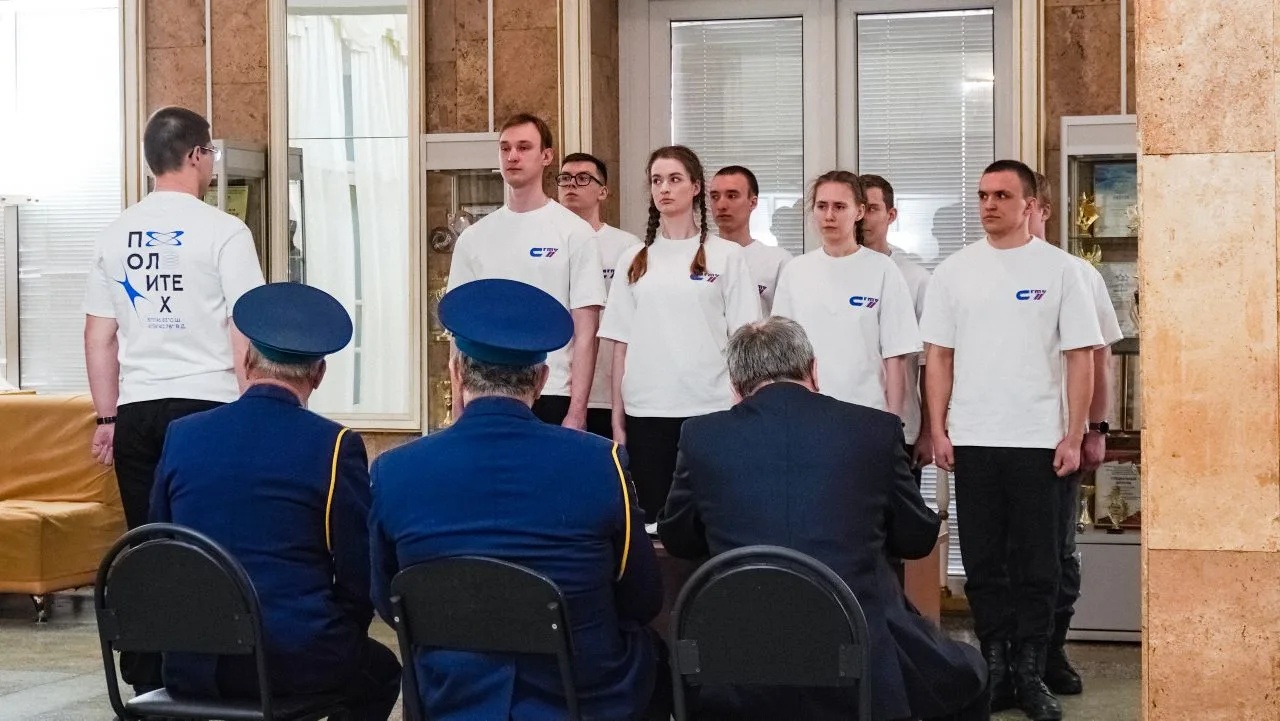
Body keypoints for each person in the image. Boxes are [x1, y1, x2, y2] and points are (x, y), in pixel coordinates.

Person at [658, 317, 989, 721]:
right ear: (814, 369)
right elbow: (917, 538)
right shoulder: (874, 430)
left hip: (733, 671)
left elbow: (677, 538)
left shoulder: (701, 436)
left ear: (735, 386)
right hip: (858, 663)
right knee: (972, 673)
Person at [370, 278, 666, 721]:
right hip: (580, 700)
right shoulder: (600, 463)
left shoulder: (395, 471)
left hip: (452, 699)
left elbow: (389, 601)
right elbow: (642, 598)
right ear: (542, 380)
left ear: (456, 372)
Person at [150, 282, 400, 720]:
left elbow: (159, 548)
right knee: (381, 671)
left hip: (192, 664)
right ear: (318, 375)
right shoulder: (334, 445)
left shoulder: (183, 435)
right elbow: (358, 572)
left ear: (247, 362)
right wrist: (338, 632)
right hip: (293, 660)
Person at [83, 105, 265, 691]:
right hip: (208, 408)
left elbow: (99, 337)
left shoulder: (115, 234)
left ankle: (146, 675)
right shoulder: (224, 231)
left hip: (137, 412)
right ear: (195, 156)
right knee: (214, 545)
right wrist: (251, 408)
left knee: (148, 543)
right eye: (210, 153)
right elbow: (245, 327)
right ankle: (216, 672)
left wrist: (107, 417)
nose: (211, 163)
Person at [922, 159, 1102, 721]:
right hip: (975, 439)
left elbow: (1081, 358)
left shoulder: (1062, 271)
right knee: (983, 563)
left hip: (1040, 442)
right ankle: (995, 668)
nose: (989, 204)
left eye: (1002, 195)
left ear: (1030, 205)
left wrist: (1074, 434)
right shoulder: (953, 273)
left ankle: (1031, 671)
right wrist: (937, 427)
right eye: (983, 195)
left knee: (1039, 565)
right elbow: (938, 357)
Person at [597, 145, 761, 524]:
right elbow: (620, 346)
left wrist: (742, 407)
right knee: (654, 521)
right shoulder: (633, 259)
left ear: (696, 187)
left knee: (711, 522)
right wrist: (618, 420)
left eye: (674, 179)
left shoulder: (727, 256)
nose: (664, 188)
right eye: (657, 180)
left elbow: (745, 342)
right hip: (647, 411)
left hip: (711, 408)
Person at [446, 112, 606, 430]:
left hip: (552, 390)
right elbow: (459, 328)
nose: (513, 156)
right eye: (505, 148)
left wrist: (577, 411)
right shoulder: (474, 237)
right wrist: (458, 402)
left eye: (523, 147)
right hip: (484, 393)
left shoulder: (574, 233)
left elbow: (586, 331)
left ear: (546, 156)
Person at [1030, 171, 1124, 696]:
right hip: (1003, 435)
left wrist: (1095, 428)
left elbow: (1101, 358)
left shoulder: (1077, 273)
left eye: (1026, 206)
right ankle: (1013, 658)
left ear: (1043, 210)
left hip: (1061, 436)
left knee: (1059, 550)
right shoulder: (981, 271)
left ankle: (1052, 651)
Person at [772, 171, 920, 419]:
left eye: (839, 207)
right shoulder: (795, 271)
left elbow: (895, 356)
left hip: (867, 413)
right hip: (807, 413)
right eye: (822, 206)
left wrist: (893, 423)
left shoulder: (883, 269)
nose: (829, 216)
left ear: (859, 212)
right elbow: (781, 354)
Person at [558, 151, 642, 438]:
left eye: (583, 178)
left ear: (603, 192)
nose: (572, 184)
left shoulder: (627, 247)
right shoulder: (548, 243)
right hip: (556, 385)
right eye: (565, 178)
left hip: (607, 390)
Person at [860, 174, 933, 478]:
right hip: (841, 423)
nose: (863, 218)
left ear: (891, 215)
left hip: (902, 428)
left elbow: (930, 363)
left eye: (872, 209)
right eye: (859, 208)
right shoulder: (822, 274)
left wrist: (929, 431)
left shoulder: (916, 279)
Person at [709, 165, 793, 313]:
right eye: (715, 197)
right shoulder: (699, 258)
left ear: (752, 202)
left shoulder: (778, 262)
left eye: (732, 196)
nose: (721, 205)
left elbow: (787, 319)